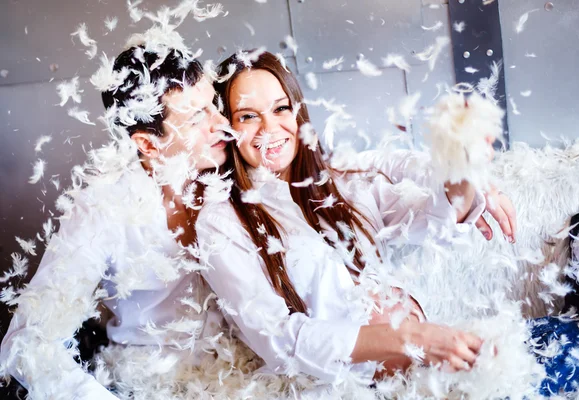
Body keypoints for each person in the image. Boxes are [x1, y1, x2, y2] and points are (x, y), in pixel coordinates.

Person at [192, 50, 517, 386]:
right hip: (342, 388)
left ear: (298, 111)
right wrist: (412, 337)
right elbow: (279, 340)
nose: (270, 128)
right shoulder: (221, 222)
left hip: (423, 376)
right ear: (228, 126)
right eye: (248, 116)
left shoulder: (343, 182)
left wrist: (463, 169)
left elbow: (431, 218)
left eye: (280, 108)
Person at [0, 36, 229, 399]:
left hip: (253, 374)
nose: (222, 124)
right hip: (151, 384)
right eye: (198, 117)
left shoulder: (238, 173)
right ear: (148, 144)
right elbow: (27, 342)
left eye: (213, 104)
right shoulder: (101, 207)